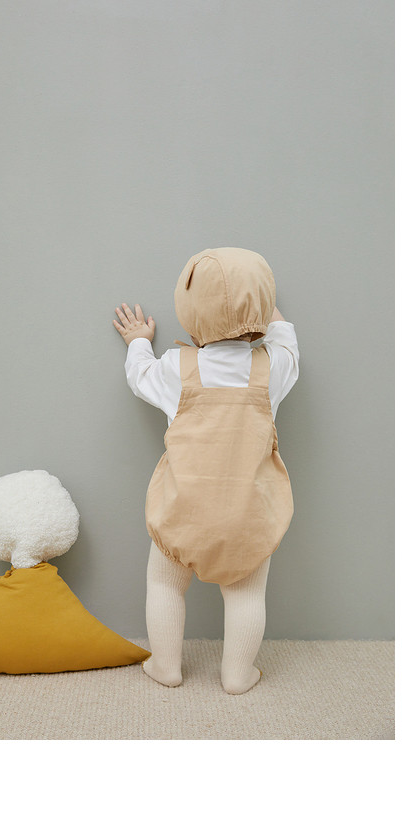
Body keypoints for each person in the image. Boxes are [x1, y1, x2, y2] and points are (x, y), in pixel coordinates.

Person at [112, 247, 299, 694]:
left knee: (164, 584)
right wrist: (258, 302)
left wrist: (138, 340)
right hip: (248, 515)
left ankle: (166, 666)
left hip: (183, 509)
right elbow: (286, 338)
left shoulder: (177, 369)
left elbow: (139, 375)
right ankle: (237, 674)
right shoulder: (272, 368)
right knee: (246, 594)